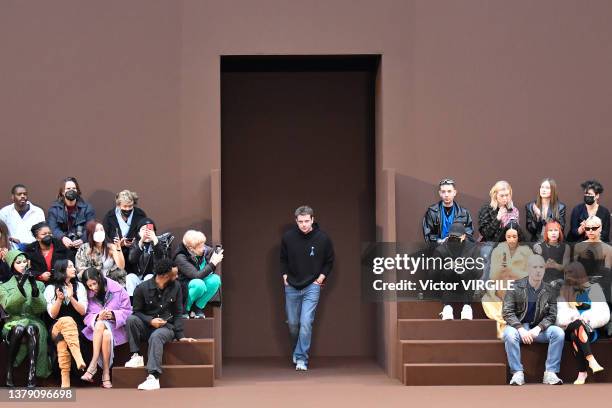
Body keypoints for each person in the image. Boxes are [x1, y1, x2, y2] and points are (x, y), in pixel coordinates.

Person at [124, 259, 196, 391]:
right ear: (164, 276)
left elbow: (178, 312)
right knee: (131, 319)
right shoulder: (142, 288)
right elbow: (137, 312)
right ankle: (136, 355)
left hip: (166, 327)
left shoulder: (176, 286)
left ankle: (153, 377)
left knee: (156, 336)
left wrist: (180, 336)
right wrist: (150, 320)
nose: (177, 277)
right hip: (147, 326)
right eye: (174, 275)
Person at [280, 205, 334, 371]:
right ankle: (297, 349)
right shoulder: (288, 237)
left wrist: (320, 279)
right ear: (296, 221)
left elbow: (329, 261)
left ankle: (302, 358)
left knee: (305, 323)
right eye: (300, 221)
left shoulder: (322, 238)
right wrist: (284, 276)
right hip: (292, 286)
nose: (304, 224)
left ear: (312, 219)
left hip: (312, 286)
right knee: (293, 324)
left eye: (307, 221)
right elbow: (283, 259)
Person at [501, 254, 565, 386]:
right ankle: (517, 373)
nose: (538, 270)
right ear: (528, 269)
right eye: (534, 267)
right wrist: (520, 329)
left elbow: (552, 315)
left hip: (539, 329)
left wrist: (538, 328)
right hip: (518, 328)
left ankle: (550, 373)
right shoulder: (515, 286)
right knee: (508, 334)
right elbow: (507, 312)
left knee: (558, 333)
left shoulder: (550, 289)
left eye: (541, 267)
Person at [0, 250, 51, 387]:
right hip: (12, 321)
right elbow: (9, 306)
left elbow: (40, 309)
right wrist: (20, 286)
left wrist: (34, 289)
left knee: (30, 328)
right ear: (12, 265)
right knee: (19, 328)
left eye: (24, 262)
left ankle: (31, 374)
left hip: (34, 320)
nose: (23, 265)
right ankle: (9, 370)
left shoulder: (39, 284)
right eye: (18, 262)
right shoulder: (3, 286)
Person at [556, 262, 609, 384]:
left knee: (577, 333)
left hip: (589, 329)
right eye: (566, 273)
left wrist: (588, 318)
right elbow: (559, 317)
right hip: (568, 327)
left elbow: (604, 313)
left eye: (570, 273)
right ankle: (591, 360)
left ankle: (582, 372)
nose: (567, 276)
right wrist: (573, 317)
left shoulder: (594, 289)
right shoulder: (563, 292)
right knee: (576, 325)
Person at [80, 268, 132, 388]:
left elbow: (128, 311)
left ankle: (92, 365)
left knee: (102, 327)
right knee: (104, 331)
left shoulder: (118, 289)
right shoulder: (88, 295)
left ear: (100, 278)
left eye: (94, 283)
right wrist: (98, 316)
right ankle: (106, 374)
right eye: (89, 286)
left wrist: (113, 315)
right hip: (99, 331)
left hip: (117, 328)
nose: (93, 288)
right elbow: (86, 316)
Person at [481, 222, 532, 338]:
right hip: (501, 290)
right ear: (504, 236)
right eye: (508, 237)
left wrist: (512, 270)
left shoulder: (527, 251)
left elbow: (531, 275)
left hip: (521, 290)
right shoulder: (497, 250)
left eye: (514, 237)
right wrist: (500, 270)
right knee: (487, 300)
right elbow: (492, 277)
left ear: (519, 236)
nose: (511, 240)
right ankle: (506, 322)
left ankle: (514, 321)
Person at [44, 259, 87, 388]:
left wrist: (71, 297)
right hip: (56, 327)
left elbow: (83, 311)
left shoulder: (79, 287)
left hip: (75, 328)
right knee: (65, 320)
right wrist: (59, 299)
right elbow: (52, 315)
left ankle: (65, 379)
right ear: (62, 270)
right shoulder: (51, 288)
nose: (74, 269)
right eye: (70, 267)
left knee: (62, 340)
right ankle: (78, 357)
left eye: (73, 266)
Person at [431, 222, 483, 320]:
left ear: (464, 236)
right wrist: (447, 267)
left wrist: (465, 266)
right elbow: (433, 274)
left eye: (457, 237)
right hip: (447, 284)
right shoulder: (441, 249)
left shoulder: (473, 248)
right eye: (452, 236)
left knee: (468, 276)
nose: (454, 239)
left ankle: (467, 306)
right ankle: (447, 307)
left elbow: (479, 272)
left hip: (466, 284)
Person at [174, 230, 223, 318]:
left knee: (215, 279)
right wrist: (213, 263)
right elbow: (196, 276)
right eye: (200, 247)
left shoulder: (203, 250)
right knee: (199, 284)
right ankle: (185, 309)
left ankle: (197, 308)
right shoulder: (180, 257)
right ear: (191, 248)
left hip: (199, 282)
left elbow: (211, 250)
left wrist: (217, 251)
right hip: (185, 287)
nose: (203, 248)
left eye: (203, 245)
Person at [47, 177, 96, 260]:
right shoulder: (54, 208)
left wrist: (82, 240)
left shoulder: (87, 207)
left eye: (74, 188)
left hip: (82, 246)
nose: (71, 190)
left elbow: (91, 227)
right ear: (62, 192)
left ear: (77, 191)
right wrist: (62, 238)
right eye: (68, 188)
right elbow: (53, 228)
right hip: (62, 246)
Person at [102, 190, 148, 277]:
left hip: (135, 256)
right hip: (116, 257)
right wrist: (118, 245)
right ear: (118, 205)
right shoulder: (109, 216)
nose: (127, 209)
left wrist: (137, 240)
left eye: (130, 206)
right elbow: (105, 237)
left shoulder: (140, 214)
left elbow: (145, 230)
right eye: (125, 206)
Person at [573, 215, 612, 304]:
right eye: (587, 228)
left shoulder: (608, 249)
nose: (590, 231)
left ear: (600, 228)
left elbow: (607, 275)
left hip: (600, 290)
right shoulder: (578, 247)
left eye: (594, 228)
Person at [422, 178, 475, 243]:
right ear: (440, 193)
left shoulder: (464, 213)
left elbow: (469, 234)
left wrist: (459, 240)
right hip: (437, 250)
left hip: (458, 250)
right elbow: (428, 235)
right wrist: (440, 241)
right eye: (443, 192)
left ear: (455, 192)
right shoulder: (432, 212)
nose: (446, 195)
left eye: (449, 191)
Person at [75, 220, 126, 286]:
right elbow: (80, 270)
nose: (100, 232)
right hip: (94, 285)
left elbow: (121, 266)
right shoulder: (84, 248)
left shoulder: (111, 246)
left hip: (112, 283)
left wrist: (118, 247)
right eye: (96, 231)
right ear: (91, 233)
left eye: (102, 230)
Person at [126, 218, 164, 297]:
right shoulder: (136, 243)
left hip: (154, 279)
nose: (146, 232)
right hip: (138, 278)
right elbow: (132, 260)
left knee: (149, 277)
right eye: (143, 229)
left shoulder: (160, 243)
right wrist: (140, 244)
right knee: (130, 277)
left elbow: (161, 262)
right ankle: (133, 304)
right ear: (138, 233)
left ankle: (148, 305)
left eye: (149, 229)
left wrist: (155, 242)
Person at [0, 184, 46, 249]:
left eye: (25, 194)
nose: (22, 196)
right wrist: (10, 240)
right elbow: (2, 233)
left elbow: (42, 233)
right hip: (12, 249)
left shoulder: (38, 211)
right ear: (13, 197)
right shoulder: (4, 212)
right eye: (19, 194)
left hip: (34, 249)